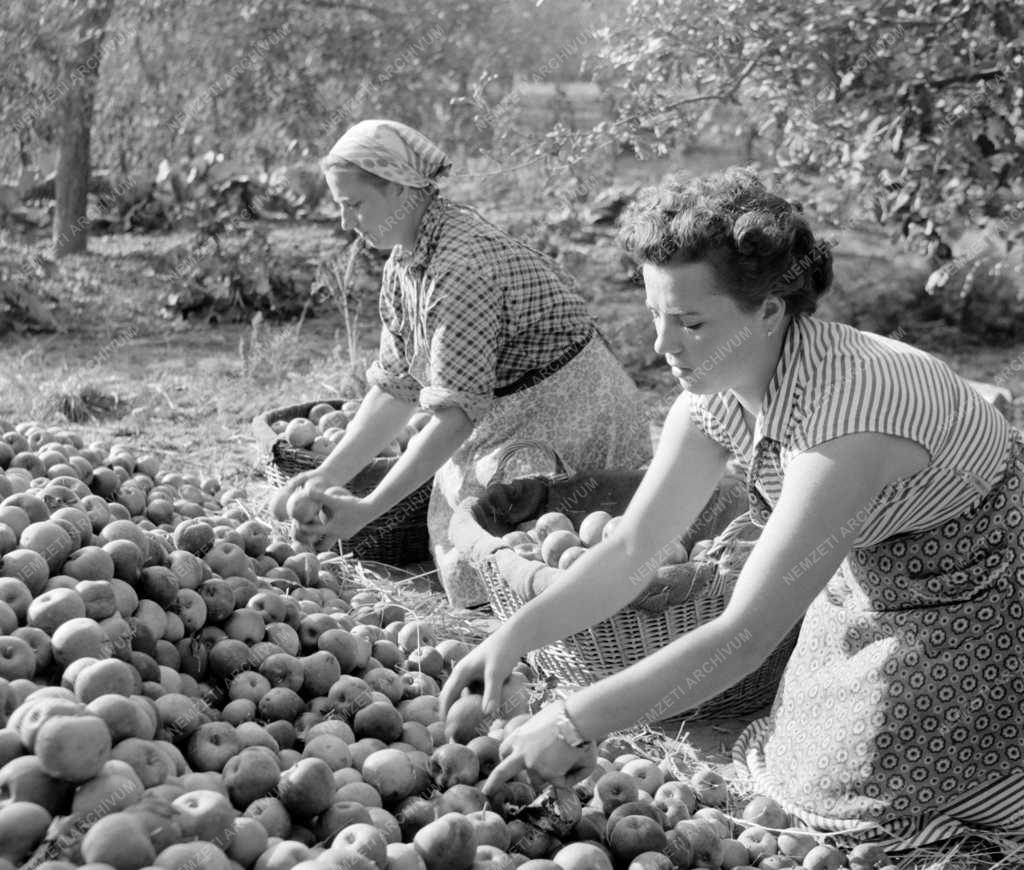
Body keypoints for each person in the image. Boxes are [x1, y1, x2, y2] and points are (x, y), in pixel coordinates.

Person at [440, 166, 1024, 849]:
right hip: (869, 573)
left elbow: (747, 634)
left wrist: (576, 721)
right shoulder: (717, 386)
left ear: (770, 312)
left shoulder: (846, 420)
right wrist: (514, 635)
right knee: (804, 765)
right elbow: (633, 550)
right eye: (656, 316)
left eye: (690, 321)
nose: (663, 346)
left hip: (982, 587)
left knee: (864, 812)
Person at [284, 119, 651, 608]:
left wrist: (368, 508)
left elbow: (454, 417)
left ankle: (557, 626)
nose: (347, 223)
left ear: (399, 189)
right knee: (472, 546)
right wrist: (324, 477)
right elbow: (396, 388)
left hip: (571, 405)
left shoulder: (459, 267)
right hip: (505, 407)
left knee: (528, 544)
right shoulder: (405, 261)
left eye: (355, 205)